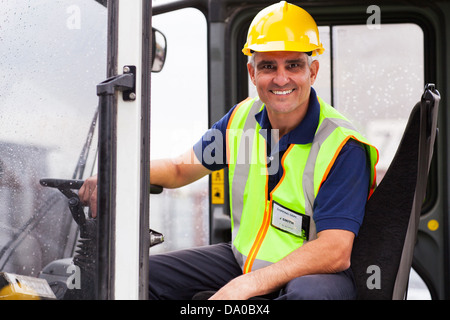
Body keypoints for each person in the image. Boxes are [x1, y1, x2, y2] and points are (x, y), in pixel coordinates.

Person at [79, 1, 378, 300]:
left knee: (309, 296)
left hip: (313, 274)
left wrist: (246, 285)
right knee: (139, 277)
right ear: (252, 72)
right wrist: (114, 174)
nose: (281, 78)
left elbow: (334, 251)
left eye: (294, 65)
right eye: (268, 66)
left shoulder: (342, 145)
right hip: (242, 261)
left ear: (312, 72)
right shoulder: (242, 121)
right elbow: (180, 168)